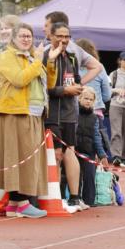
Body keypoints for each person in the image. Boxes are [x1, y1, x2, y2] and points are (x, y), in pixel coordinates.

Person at [0, 22, 48, 218]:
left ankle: (16, 203)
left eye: (29, 36)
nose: (26, 39)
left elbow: (42, 81)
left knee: (27, 159)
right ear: (14, 38)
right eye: (22, 36)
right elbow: (19, 79)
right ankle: (21, 202)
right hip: (15, 113)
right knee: (16, 158)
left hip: (33, 113)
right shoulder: (6, 57)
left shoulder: (30, 57)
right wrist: (38, 61)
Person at [44, 22, 85, 211]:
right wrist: (64, 90)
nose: (64, 40)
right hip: (51, 114)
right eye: (59, 36)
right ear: (50, 36)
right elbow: (45, 88)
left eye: (67, 36)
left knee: (70, 152)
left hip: (69, 113)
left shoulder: (72, 57)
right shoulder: (45, 56)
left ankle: (75, 197)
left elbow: (76, 80)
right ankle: (54, 196)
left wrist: (78, 88)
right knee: (55, 155)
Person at [77, 38, 112, 165]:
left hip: (76, 112)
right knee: (97, 146)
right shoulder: (99, 68)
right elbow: (107, 95)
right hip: (96, 111)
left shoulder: (73, 68)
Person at [75, 87, 97, 207]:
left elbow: (97, 137)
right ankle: (75, 198)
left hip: (89, 152)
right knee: (76, 176)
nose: (88, 101)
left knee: (89, 175)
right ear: (79, 99)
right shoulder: (74, 114)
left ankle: (89, 200)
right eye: (85, 98)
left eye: (91, 99)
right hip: (75, 150)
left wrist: (102, 154)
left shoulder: (95, 118)